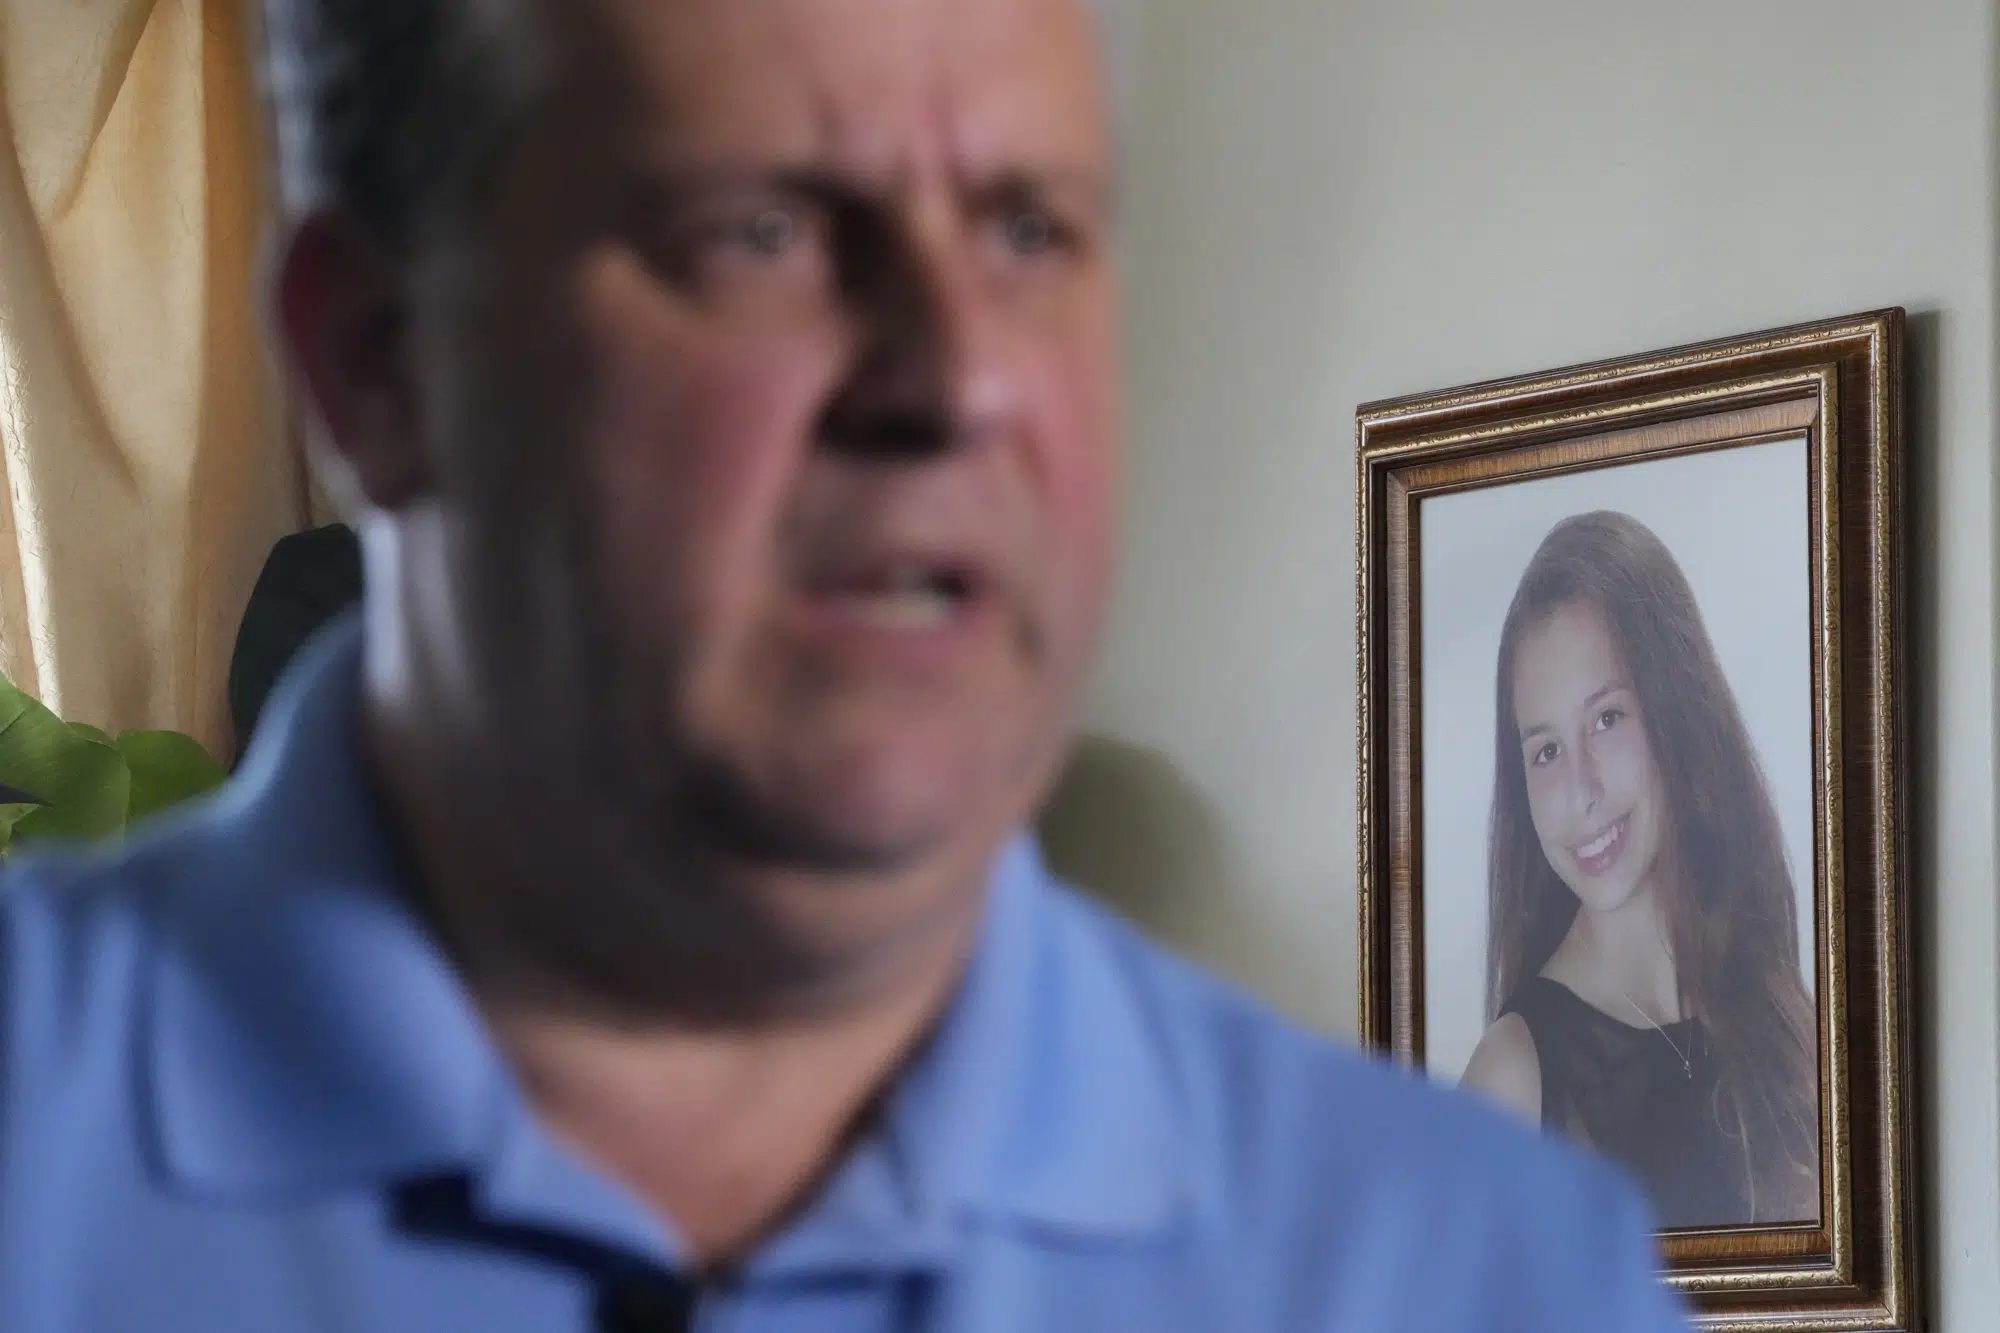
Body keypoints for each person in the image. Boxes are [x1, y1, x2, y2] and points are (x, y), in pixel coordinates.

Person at [0, 1, 1690, 1329]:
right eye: (759, 228)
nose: (949, 385)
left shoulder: (1478, 1276)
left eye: (1028, 227)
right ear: (371, 362)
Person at [1461, 510, 1820, 1229]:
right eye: (1546, 750)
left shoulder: (1781, 1004)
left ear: (1674, 709)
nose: (1582, 791)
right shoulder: (1511, 1080)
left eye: (1606, 719)